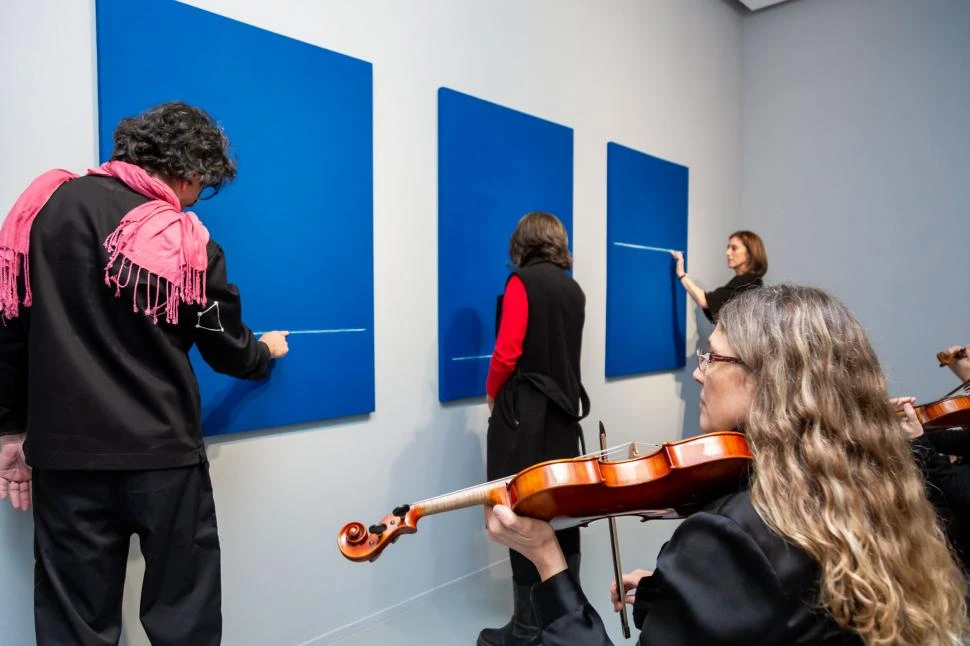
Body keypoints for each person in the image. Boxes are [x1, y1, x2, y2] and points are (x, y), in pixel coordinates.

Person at [485, 285, 968, 646]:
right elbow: (778, 614)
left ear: (767, 381)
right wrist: (675, 597)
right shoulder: (862, 487)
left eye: (712, 357)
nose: (698, 371)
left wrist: (549, 563)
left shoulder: (732, 535)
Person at [0, 101, 289, 646]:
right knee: (183, 615)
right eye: (199, 187)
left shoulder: (43, 211)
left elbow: (10, 323)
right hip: (162, 457)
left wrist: (10, 429)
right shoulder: (185, 241)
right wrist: (264, 352)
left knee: (73, 623)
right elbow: (226, 348)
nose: (192, 199)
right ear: (188, 173)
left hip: (65, 458)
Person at [479, 211, 589, 646]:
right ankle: (562, 620)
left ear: (522, 241)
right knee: (564, 510)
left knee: (519, 508)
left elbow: (507, 353)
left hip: (524, 416)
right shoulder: (574, 289)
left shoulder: (522, 283)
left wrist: (492, 394)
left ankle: (525, 630)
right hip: (563, 416)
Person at [670, 229, 767, 323]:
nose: (728, 253)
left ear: (749, 254)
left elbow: (705, 301)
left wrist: (681, 274)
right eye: (728, 247)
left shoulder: (748, 281)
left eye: (734, 248)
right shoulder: (750, 281)